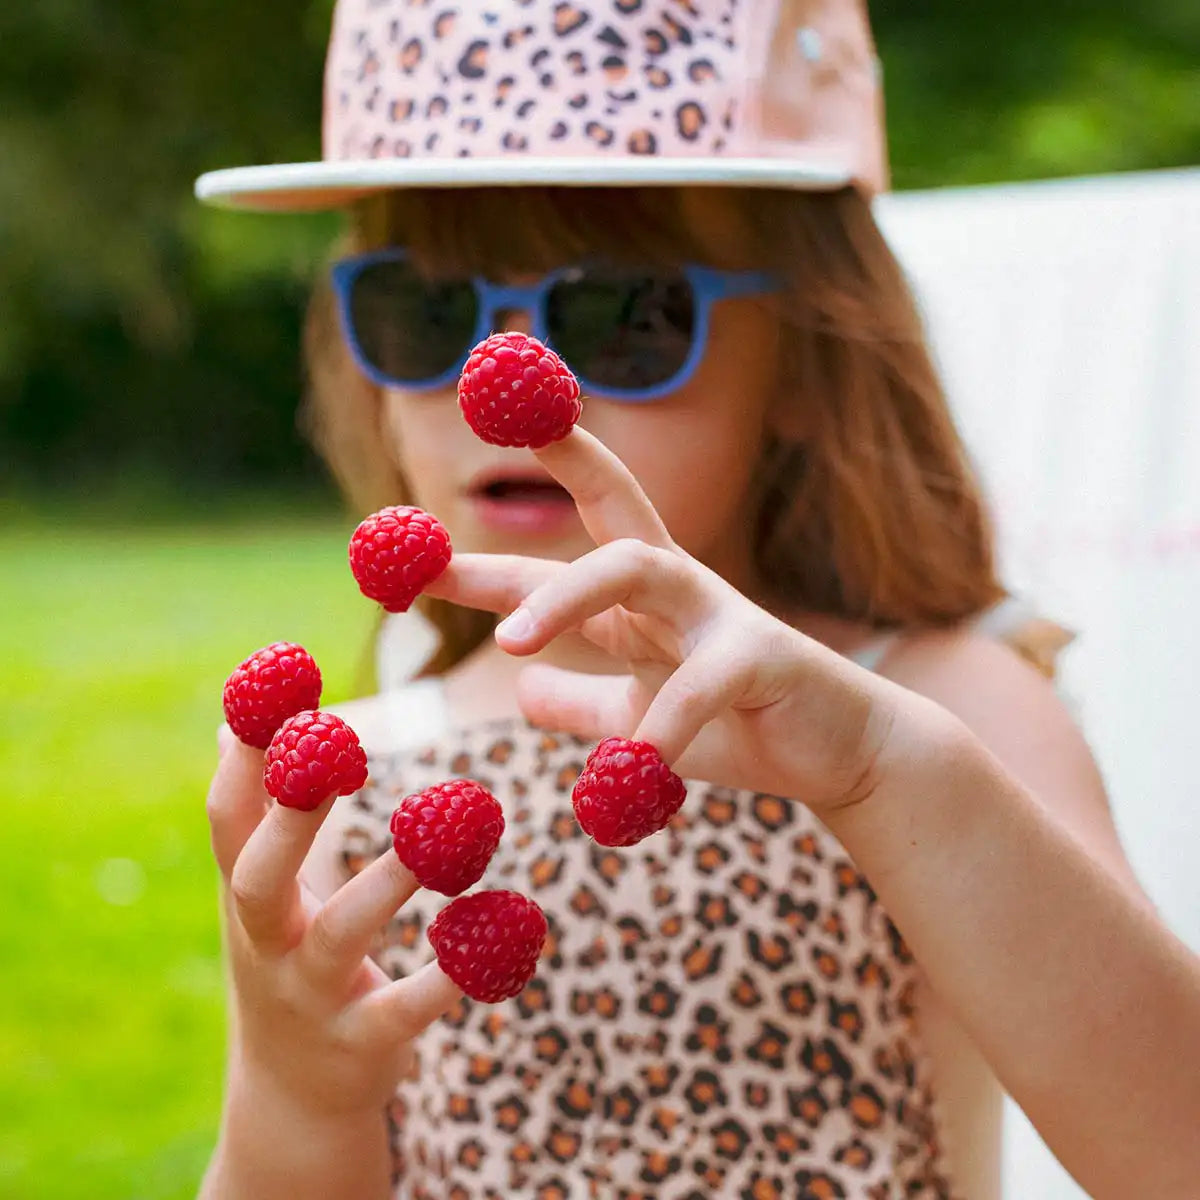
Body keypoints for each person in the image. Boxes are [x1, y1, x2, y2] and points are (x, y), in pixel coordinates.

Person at [195, 2, 1200, 1198]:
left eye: (622, 314)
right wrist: (295, 1081)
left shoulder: (937, 703)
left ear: (811, 357)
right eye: (420, 308)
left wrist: (881, 766)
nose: (505, 381)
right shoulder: (357, 776)